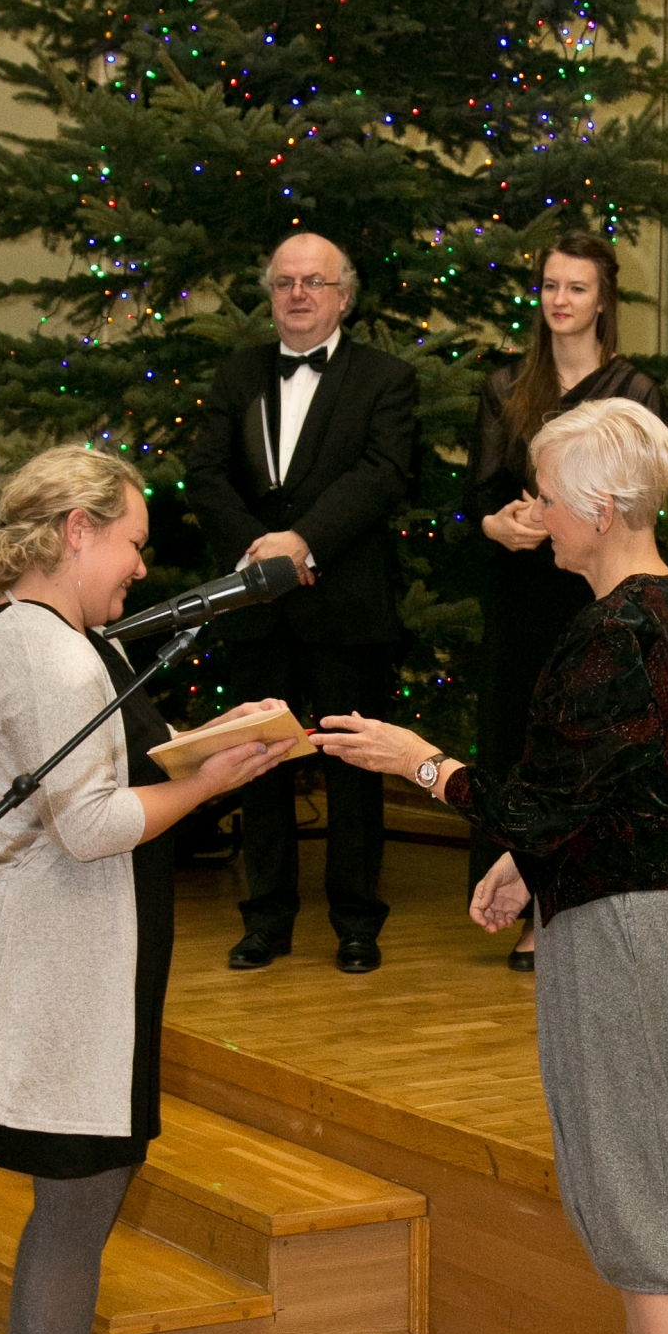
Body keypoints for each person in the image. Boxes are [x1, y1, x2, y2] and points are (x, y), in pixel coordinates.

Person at [314, 399, 668, 1334]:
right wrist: (527, 863)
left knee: (649, 1226)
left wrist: (419, 763)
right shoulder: (667, 617)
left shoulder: (616, 630)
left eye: (547, 496)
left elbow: (536, 796)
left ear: (601, 506)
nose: (535, 515)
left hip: (635, 930)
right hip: (661, 911)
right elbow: (626, 792)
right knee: (640, 1208)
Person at [0, 446, 294, 1334]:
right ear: (77, 531)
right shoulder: (54, 657)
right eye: (132, 543)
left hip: (77, 960)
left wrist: (200, 754)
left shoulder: (36, 635)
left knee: (81, 1193)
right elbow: (89, 826)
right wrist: (210, 781)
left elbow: (97, 778)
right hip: (60, 971)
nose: (141, 568)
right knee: (82, 1198)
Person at [186, 232, 418, 975]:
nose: (297, 294)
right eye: (285, 281)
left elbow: (382, 475)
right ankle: (266, 920)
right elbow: (204, 473)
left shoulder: (385, 378)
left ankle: (356, 923)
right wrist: (262, 554)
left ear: (343, 296)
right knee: (257, 765)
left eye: (314, 282)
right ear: (270, 293)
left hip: (347, 603)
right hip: (257, 605)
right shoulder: (237, 374)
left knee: (354, 769)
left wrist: (305, 544)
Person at [469, 232, 665, 973]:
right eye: (550, 285)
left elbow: (644, 499)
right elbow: (481, 497)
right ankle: (519, 900)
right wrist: (499, 526)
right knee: (518, 739)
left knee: (581, 740)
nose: (560, 300)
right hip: (522, 586)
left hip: (592, 588)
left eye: (576, 287)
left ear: (603, 299)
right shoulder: (506, 385)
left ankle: (570, 898)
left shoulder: (633, 390)